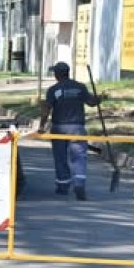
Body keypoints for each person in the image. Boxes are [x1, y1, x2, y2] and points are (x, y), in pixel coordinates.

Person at [38, 61, 103, 200]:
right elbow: (91, 102)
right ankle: (79, 184)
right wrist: (99, 98)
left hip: (58, 128)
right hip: (77, 128)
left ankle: (63, 186)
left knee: (60, 157)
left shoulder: (53, 90)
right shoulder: (80, 87)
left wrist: (41, 126)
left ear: (57, 74)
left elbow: (46, 109)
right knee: (79, 157)